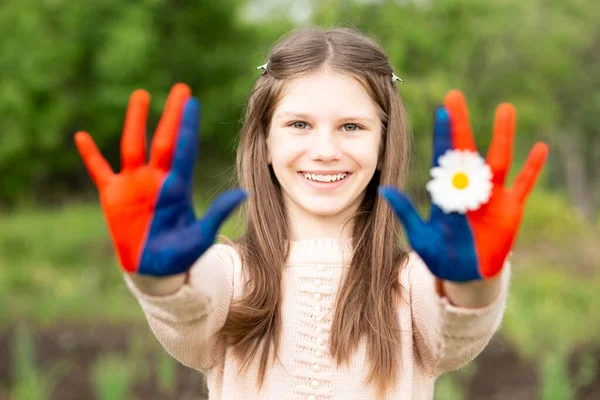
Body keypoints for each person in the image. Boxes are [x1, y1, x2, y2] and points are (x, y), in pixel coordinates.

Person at [74, 27, 548, 399]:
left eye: (351, 126)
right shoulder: (230, 274)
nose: (325, 150)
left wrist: (474, 279)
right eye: (299, 124)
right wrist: (159, 279)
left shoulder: (411, 282)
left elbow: (456, 327)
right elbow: (188, 314)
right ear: (264, 141)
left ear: (384, 144)